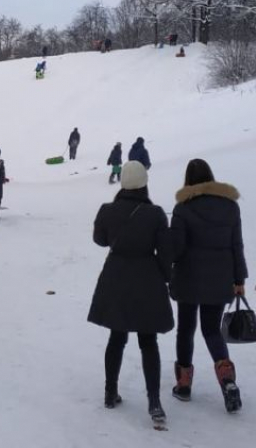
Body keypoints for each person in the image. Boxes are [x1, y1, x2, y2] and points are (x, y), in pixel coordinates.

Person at [88, 161, 173, 423]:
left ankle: (110, 392)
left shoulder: (107, 210)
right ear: (144, 183)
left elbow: (100, 240)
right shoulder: (156, 213)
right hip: (147, 279)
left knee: (117, 337)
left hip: (116, 277)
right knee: (148, 342)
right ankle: (154, 402)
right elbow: (165, 250)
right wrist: (164, 275)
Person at [170, 158, 247, 414]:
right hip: (220, 278)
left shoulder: (183, 208)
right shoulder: (230, 206)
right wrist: (239, 279)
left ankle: (183, 384)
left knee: (186, 329)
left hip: (189, 278)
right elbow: (237, 245)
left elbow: (176, 248)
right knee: (212, 330)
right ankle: (227, 380)